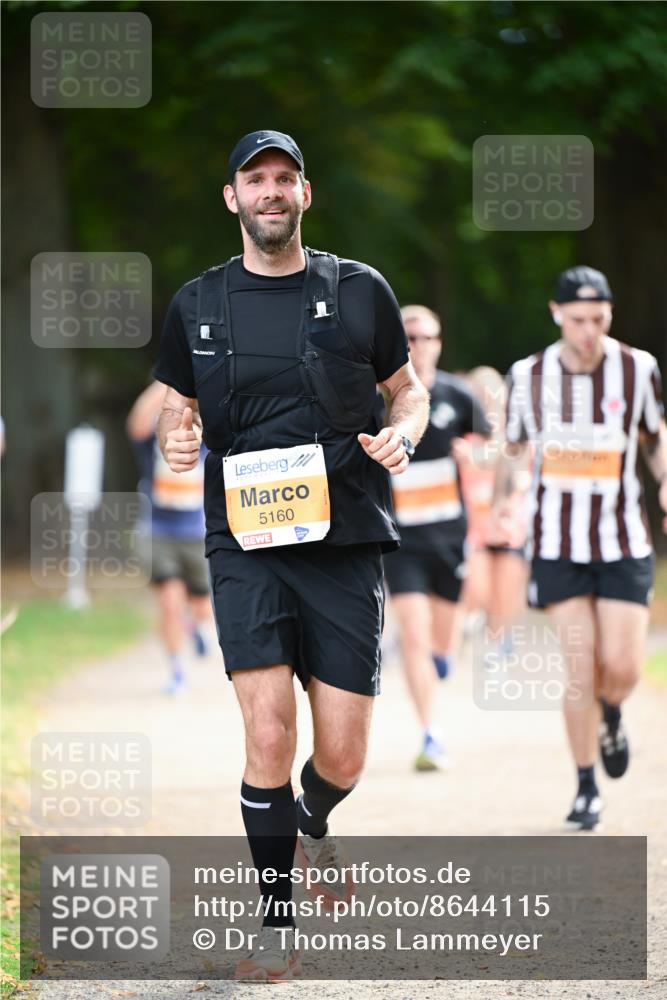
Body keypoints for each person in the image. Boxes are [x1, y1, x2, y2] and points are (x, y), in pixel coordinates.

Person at [153, 130, 429, 981]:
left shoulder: (358, 291)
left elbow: (405, 389)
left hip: (343, 540)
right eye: (254, 179)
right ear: (231, 198)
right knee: (267, 733)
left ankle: (313, 820)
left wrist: (403, 437)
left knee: (341, 754)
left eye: (284, 178)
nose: (269, 192)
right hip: (246, 544)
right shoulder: (197, 303)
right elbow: (175, 406)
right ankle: (275, 923)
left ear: (304, 194)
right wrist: (177, 436)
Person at [497, 266, 667, 831]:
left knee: (618, 668)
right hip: (557, 543)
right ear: (556, 314)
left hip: (622, 540)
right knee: (578, 668)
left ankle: (612, 712)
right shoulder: (529, 375)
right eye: (578, 320)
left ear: (610, 315)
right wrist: (505, 496)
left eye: (599, 319)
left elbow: (652, 436)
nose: (589, 331)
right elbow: (514, 447)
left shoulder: (637, 369)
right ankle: (586, 786)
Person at [383, 305, 490, 771]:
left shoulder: (457, 395)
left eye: (428, 337)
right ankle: (430, 734)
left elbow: (495, 450)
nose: (420, 346)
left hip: (450, 536)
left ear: (439, 343)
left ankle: (442, 659)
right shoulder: (377, 398)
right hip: (401, 539)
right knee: (412, 636)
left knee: (442, 640)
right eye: (410, 337)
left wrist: (478, 457)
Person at [127, 380, 213, 693]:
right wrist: (167, 381)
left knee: (203, 607)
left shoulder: (205, 438)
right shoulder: (152, 439)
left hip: (197, 532)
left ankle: (195, 625)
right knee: (169, 601)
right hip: (159, 530)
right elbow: (137, 421)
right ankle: (177, 670)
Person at [458, 366, 530, 660]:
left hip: (509, 526)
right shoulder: (465, 437)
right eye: (480, 395)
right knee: (478, 590)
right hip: (474, 527)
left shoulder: (517, 438)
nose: (487, 401)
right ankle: (474, 626)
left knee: (506, 595)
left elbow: (522, 473)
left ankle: (498, 647)